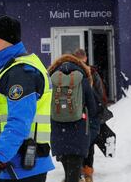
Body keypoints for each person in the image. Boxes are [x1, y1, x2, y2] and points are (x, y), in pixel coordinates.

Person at [0, 15, 55, 182]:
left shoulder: (20, 73)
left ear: (10, 41)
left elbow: (19, 122)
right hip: (17, 163)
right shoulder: (14, 69)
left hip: (24, 167)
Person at [47, 54, 97, 182]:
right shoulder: (83, 79)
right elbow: (93, 108)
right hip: (79, 132)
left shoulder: (51, 80)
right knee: (73, 175)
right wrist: (91, 132)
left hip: (59, 133)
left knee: (68, 171)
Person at [73, 49, 111, 182]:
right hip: (92, 113)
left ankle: (77, 170)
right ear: (86, 58)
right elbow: (101, 93)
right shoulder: (92, 73)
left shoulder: (70, 73)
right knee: (90, 142)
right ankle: (88, 171)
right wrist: (100, 108)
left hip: (75, 113)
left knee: (77, 142)